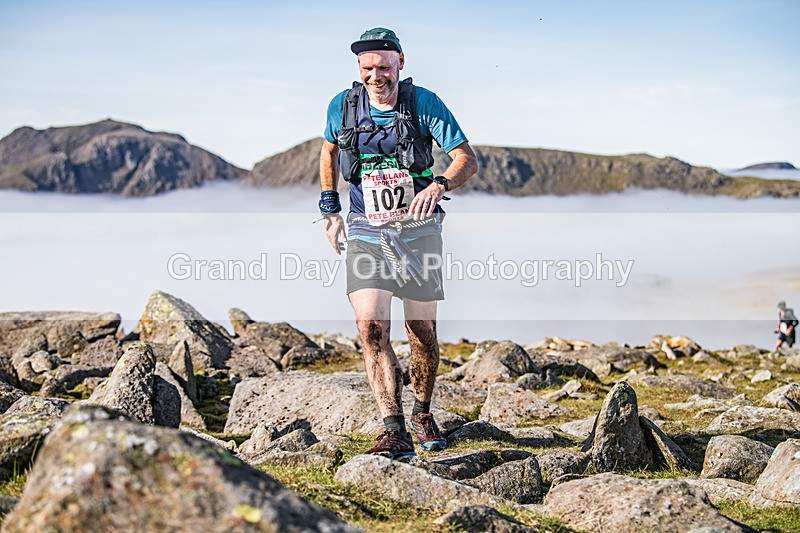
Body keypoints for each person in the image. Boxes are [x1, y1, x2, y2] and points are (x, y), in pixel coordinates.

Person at [318, 28, 478, 458]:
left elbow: (467, 157)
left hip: (418, 230)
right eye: (368, 68)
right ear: (359, 68)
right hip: (366, 229)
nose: (376, 76)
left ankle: (422, 413)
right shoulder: (343, 106)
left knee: (420, 331)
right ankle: (393, 428)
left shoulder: (423, 103)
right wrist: (330, 209)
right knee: (372, 327)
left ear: (400, 63)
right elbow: (329, 152)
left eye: (384, 67)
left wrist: (440, 184)